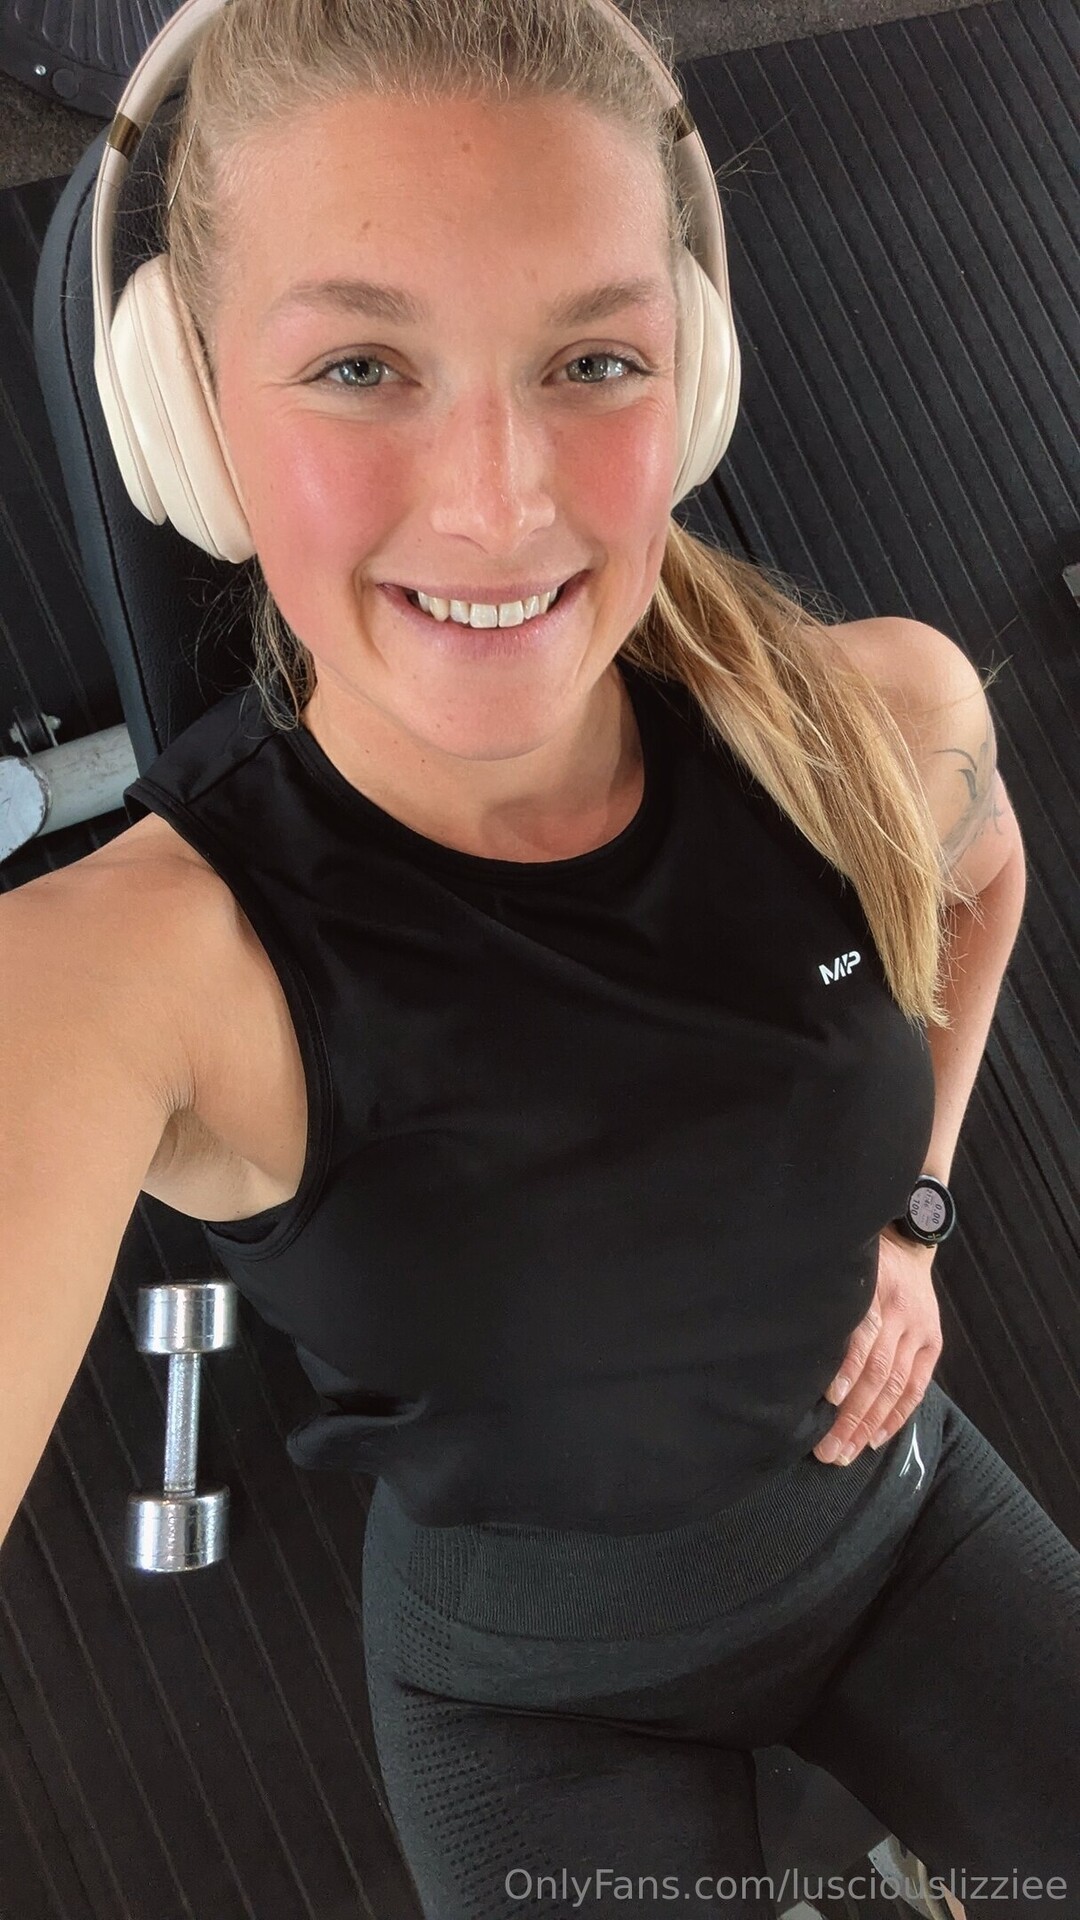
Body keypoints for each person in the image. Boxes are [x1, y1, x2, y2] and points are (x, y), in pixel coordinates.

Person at [3, 2, 1077, 1916]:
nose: (500, 504)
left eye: (593, 359)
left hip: (906, 1529)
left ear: (695, 378)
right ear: (188, 415)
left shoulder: (876, 723)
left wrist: (915, 1213)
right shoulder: (123, 971)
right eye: (359, 365)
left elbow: (986, 886)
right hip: (539, 1703)